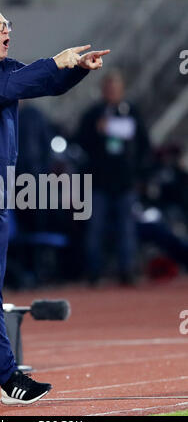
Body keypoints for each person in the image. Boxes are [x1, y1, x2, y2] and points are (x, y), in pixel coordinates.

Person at [0, 2, 110, 406]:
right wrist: (53, 61)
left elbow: (42, 84)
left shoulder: (5, 70)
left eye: (6, 23)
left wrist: (76, 68)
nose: (6, 29)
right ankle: (10, 378)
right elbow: (1, 92)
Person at [76, 69, 150, 285]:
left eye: (115, 88)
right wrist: (96, 131)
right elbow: (80, 141)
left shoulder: (132, 112)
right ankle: (94, 273)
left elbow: (144, 144)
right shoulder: (92, 115)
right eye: (108, 88)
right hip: (98, 181)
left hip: (125, 182)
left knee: (126, 228)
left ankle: (127, 271)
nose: (111, 92)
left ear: (122, 90)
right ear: (103, 90)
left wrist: (139, 173)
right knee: (95, 228)